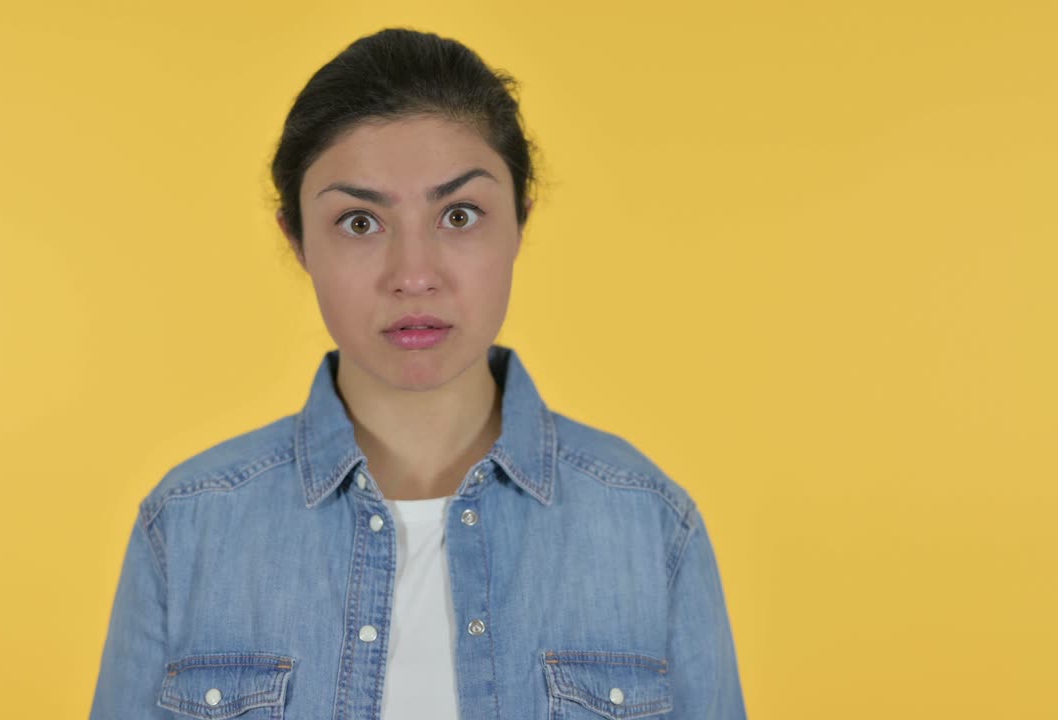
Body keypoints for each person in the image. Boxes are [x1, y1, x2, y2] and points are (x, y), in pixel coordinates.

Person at [90, 27, 745, 720]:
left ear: (519, 222)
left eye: (459, 215)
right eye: (360, 223)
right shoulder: (189, 525)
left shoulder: (648, 525)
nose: (413, 276)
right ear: (297, 240)